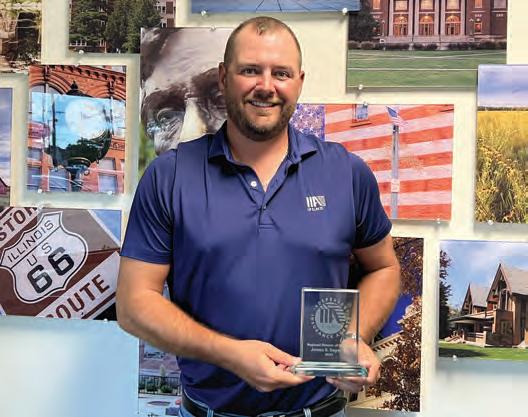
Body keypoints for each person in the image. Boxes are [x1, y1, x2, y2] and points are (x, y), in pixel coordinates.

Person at [118, 16, 400, 417]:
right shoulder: (170, 175)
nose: (265, 86)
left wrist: (355, 336)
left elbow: (384, 268)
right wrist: (230, 354)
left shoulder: (346, 173)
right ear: (224, 77)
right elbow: (133, 304)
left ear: (299, 81)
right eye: (250, 70)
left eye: (280, 73)